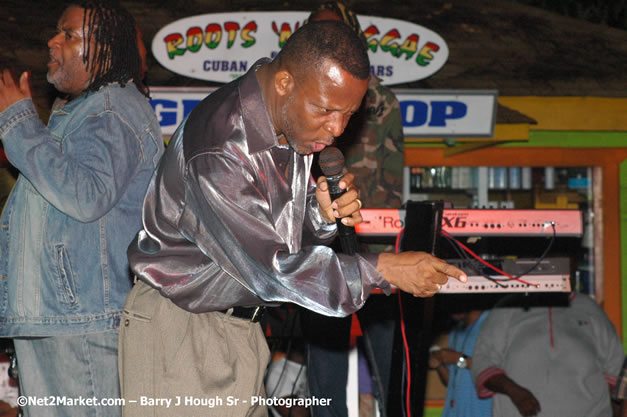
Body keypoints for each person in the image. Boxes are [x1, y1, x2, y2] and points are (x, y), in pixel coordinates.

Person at [119, 20, 466, 417]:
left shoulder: (287, 125)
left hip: (240, 328)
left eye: (348, 114)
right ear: (284, 82)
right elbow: (272, 270)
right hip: (180, 335)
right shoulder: (219, 148)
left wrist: (319, 214)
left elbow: (273, 240)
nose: (336, 129)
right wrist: (385, 268)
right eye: (326, 110)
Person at [0, 1, 163, 416]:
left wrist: (18, 123)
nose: (54, 41)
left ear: (105, 49)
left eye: (70, 35)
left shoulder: (111, 108)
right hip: (64, 321)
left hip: (82, 323)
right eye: (57, 31)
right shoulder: (86, 111)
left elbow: (87, 195)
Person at [301, 3, 404, 417]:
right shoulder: (299, 100)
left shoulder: (378, 98)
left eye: (336, 32)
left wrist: (381, 246)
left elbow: (393, 188)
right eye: (318, 33)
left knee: (388, 364)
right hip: (321, 246)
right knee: (324, 367)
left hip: (372, 245)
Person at [471, 292, 624, 417]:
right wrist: (515, 392)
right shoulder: (507, 307)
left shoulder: (588, 307)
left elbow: (616, 373)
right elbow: (482, 362)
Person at [428, 309, 492, 417]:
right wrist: (439, 365)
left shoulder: (492, 323)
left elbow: (498, 373)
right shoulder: (456, 331)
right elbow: (454, 383)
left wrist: (458, 359)